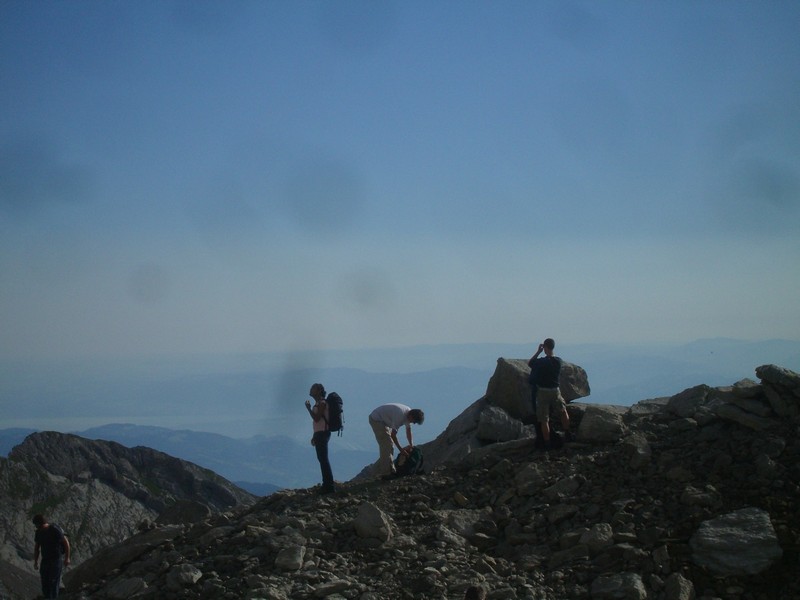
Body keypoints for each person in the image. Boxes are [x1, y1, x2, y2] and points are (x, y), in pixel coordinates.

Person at [528, 338, 571, 449]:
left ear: (545, 348)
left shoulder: (541, 362)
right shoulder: (559, 361)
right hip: (555, 391)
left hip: (543, 392)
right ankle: (567, 433)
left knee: (544, 419)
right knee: (563, 410)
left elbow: (530, 363)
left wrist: (538, 352)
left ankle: (547, 443)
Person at [368, 403, 424, 477]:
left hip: (384, 421)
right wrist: (401, 450)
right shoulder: (400, 416)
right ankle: (386, 472)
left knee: (389, 448)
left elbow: (408, 431)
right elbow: (393, 435)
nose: (413, 423)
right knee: (387, 445)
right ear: (411, 416)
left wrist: (411, 445)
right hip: (376, 420)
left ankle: (380, 470)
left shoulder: (408, 414)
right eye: (414, 421)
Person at [305, 383, 336, 494]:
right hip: (320, 434)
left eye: (313, 388)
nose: (311, 390)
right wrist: (314, 436)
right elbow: (318, 422)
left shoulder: (322, 403)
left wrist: (309, 409)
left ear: (318, 391)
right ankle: (327, 484)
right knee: (322, 459)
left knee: (323, 460)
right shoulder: (318, 403)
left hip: (322, 434)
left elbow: (317, 419)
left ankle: (328, 486)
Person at [32, 514, 70, 599]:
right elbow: (37, 547)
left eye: (36, 524)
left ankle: (52, 598)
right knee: (45, 582)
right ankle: (48, 597)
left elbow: (65, 542)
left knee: (53, 581)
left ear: (39, 523)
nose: (36, 526)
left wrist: (67, 558)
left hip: (56, 560)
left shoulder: (54, 529)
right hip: (45, 560)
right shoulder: (38, 532)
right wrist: (35, 561)